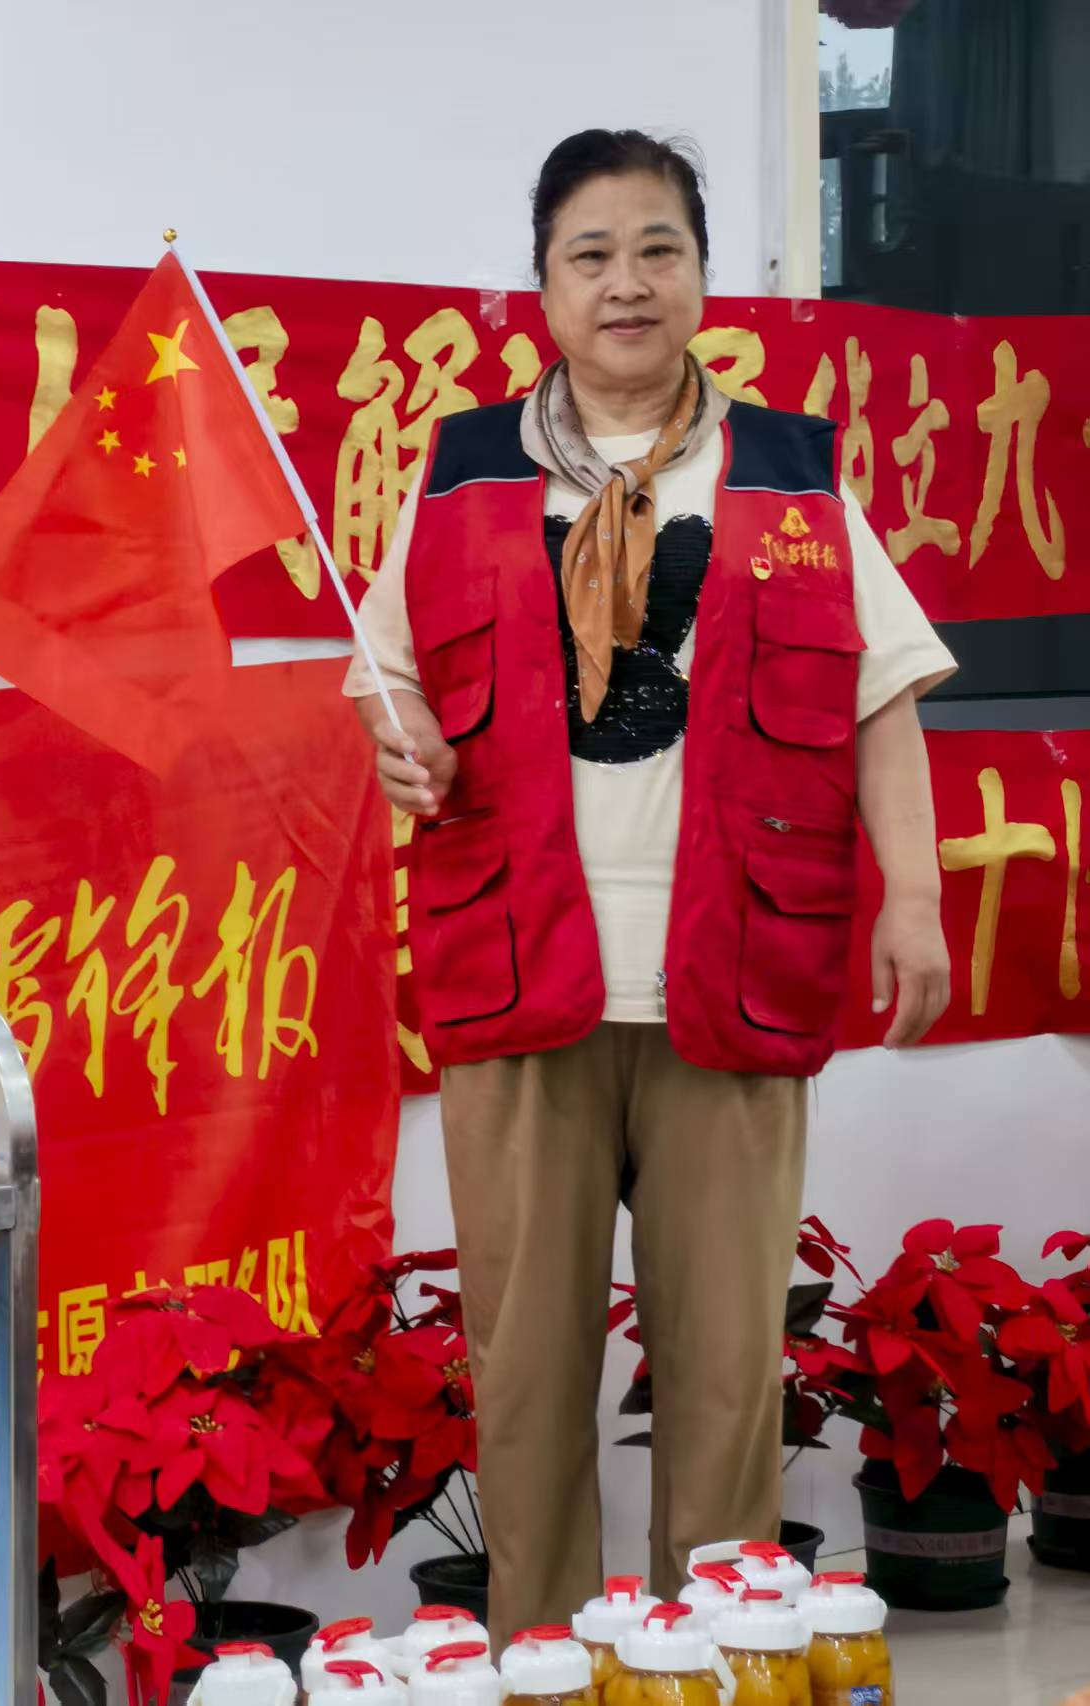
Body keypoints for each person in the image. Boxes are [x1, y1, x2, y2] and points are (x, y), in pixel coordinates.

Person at [343, 129, 955, 1646]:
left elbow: (883, 696)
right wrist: (405, 742)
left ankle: (711, 1660)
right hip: (518, 976)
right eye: (593, 255)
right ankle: (544, 1662)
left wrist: (917, 900)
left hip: (732, 977)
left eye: (658, 249)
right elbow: (388, 674)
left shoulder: (789, 474)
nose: (627, 283)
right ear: (542, 286)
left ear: (701, 274)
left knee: (729, 1374)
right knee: (528, 1374)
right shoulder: (466, 470)